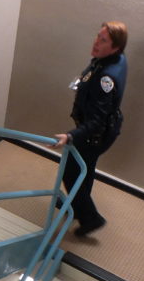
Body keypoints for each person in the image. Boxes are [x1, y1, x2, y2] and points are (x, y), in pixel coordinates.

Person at [54, 21, 128, 237]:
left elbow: (97, 121)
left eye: (103, 40)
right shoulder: (116, 59)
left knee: (70, 173)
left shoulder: (106, 77)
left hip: (93, 135)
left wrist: (70, 136)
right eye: (97, 36)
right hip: (98, 131)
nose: (96, 42)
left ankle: (91, 219)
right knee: (84, 170)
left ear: (115, 47)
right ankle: (77, 205)